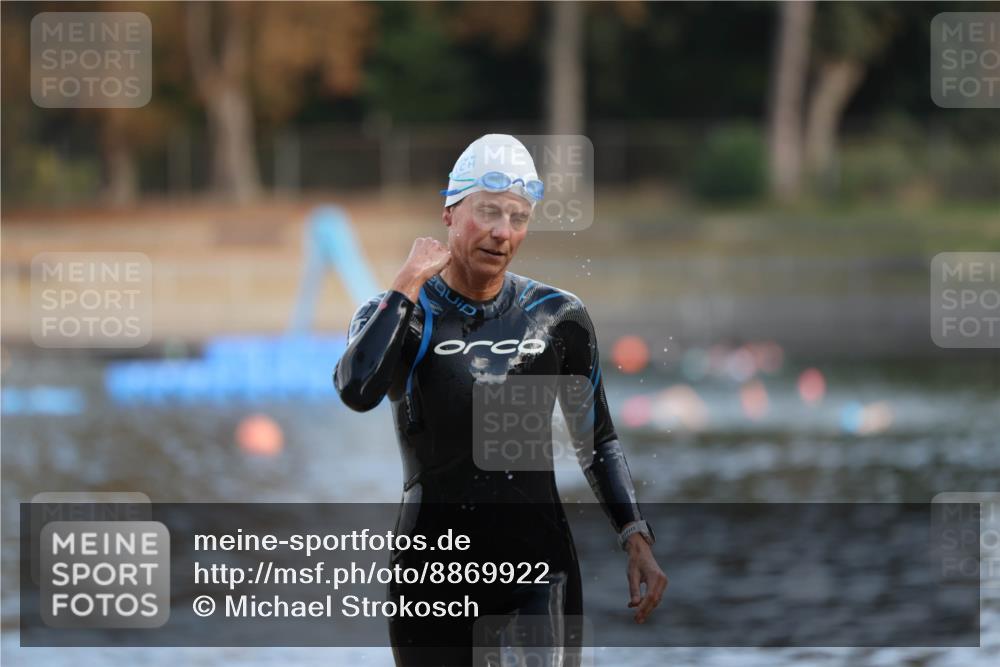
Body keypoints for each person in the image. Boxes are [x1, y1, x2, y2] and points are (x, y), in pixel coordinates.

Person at [335, 134, 667, 666]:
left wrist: (635, 535)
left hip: (540, 570)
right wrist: (405, 283)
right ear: (450, 211)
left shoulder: (557, 316)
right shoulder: (400, 312)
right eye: (488, 213)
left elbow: (597, 439)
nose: (502, 232)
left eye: (518, 218)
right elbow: (356, 390)